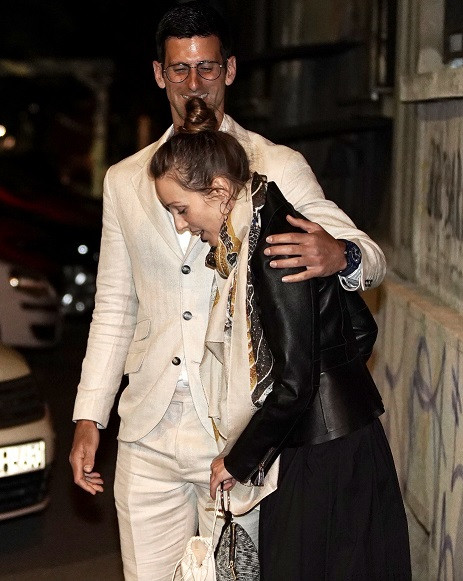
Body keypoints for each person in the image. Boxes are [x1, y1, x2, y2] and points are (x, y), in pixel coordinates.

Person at [69, 2, 388, 579]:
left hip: (239, 435)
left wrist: (339, 254)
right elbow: (115, 304)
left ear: (230, 70)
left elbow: (368, 254)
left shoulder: (275, 165)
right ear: (159, 74)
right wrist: (90, 413)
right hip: (148, 431)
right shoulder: (125, 180)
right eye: (180, 68)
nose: (195, 84)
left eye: (208, 68)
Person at [151, 96, 411, 580]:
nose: (182, 225)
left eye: (181, 209)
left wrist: (238, 460)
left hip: (320, 455)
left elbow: (294, 382)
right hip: (337, 443)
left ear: (219, 190)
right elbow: (360, 329)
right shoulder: (265, 224)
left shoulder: (273, 245)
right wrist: (336, 386)